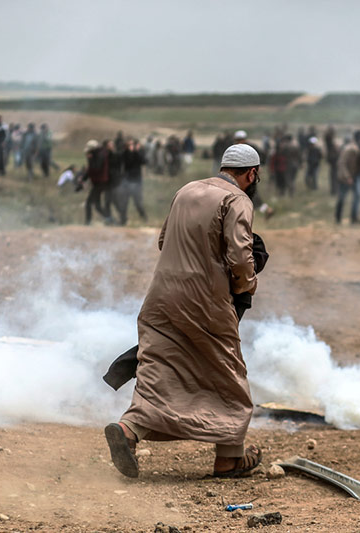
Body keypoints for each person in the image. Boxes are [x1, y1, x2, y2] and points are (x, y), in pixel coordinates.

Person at [104, 143, 263, 479]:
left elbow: (164, 240)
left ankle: (129, 429)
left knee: (160, 366)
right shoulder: (238, 200)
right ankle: (229, 458)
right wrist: (245, 286)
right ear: (251, 173)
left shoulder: (187, 189)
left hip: (160, 296)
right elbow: (239, 257)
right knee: (226, 370)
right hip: (204, 300)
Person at [336, 133, 360, 224]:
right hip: (345, 178)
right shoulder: (349, 149)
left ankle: (354, 218)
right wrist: (347, 177)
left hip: (354, 176)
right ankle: (338, 219)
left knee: (357, 196)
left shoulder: (359, 148)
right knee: (342, 198)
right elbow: (341, 163)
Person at [121, 138, 148, 223]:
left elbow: (144, 161)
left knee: (138, 202)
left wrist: (135, 152)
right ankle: (123, 220)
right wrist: (130, 152)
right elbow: (127, 163)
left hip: (136, 182)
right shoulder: (125, 154)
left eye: (132, 144)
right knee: (124, 202)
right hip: (127, 181)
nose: (131, 146)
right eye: (130, 145)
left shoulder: (137, 153)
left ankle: (144, 218)